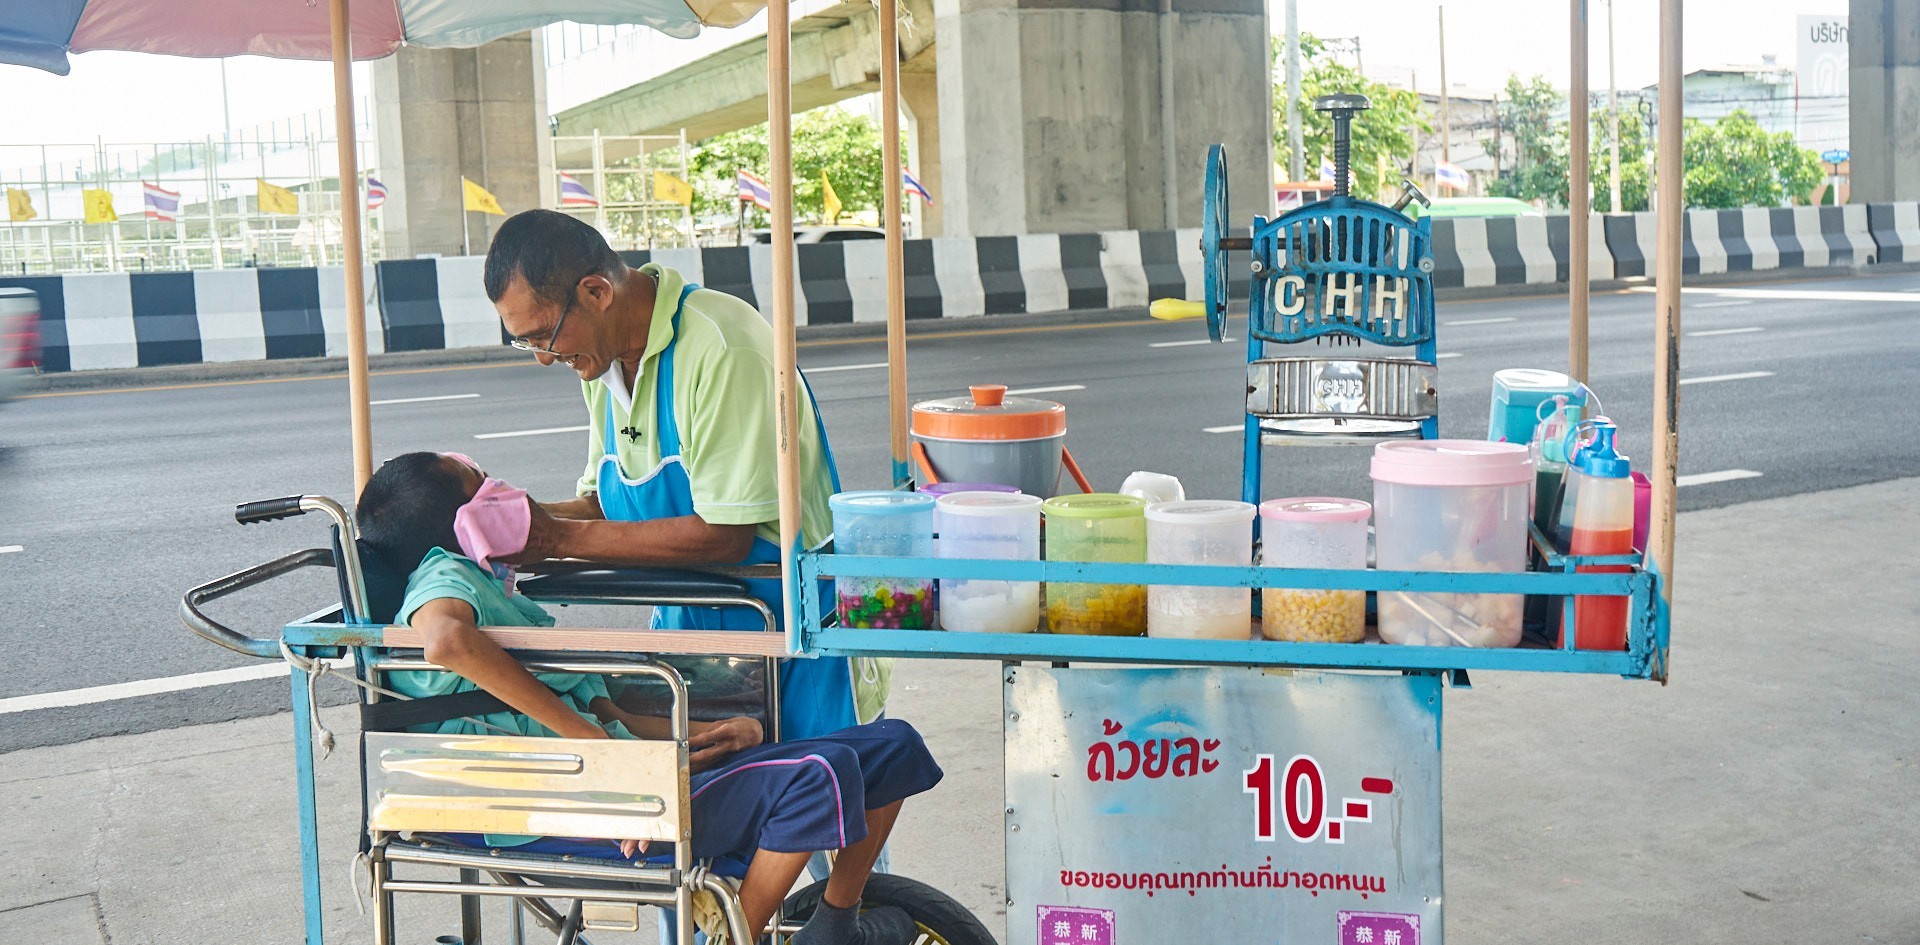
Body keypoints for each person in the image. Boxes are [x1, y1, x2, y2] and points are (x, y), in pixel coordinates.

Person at [355, 451, 939, 944]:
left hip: (617, 767)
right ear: (463, 524)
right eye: (481, 486)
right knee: (819, 773)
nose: (500, 491)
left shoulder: (488, 587)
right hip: (563, 793)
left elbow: (600, 708)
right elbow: (448, 642)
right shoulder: (442, 579)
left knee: (893, 745)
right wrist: (608, 758)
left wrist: (699, 737)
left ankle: (834, 928)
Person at [481, 209, 883, 740]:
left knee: (818, 796)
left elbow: (726, 533)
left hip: (789, 637)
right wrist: (509, 518)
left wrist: (555, 538)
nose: (543, 358)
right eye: (526, 342)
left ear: (597, 292)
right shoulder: (599, 364)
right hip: (695, 636)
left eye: (543, 336)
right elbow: (607, 504)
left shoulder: (721, 347)